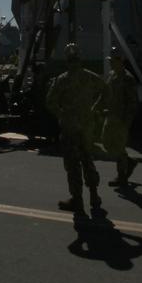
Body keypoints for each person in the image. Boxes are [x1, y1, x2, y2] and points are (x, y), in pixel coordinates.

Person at [46, 42, 107, 213]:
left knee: (73, 165)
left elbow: (50, 101)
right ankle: (94, 196)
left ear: (68, 60)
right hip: (87, 126)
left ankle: (77, 200)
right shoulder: (90, 76)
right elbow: (105, 89)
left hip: (70, 128)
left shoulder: (62, 79)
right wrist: (96, 107)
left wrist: (61, 114)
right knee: (88, 160)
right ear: (80, 59)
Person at [104, 48, 140, 188]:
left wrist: (126, 122)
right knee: (107, 143)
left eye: (112, 61)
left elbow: (133, 103)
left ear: (120, 61)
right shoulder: (112, 75)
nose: (110, 64)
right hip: (111, 115)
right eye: (110, 61)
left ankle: (122, 177)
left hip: (121, 119)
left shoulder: (128, 79)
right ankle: (129, 162)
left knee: (118, 145)